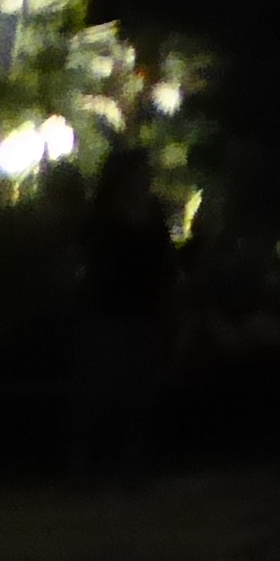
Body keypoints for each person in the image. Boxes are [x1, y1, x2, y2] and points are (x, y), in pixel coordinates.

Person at [67, 150, 182, 485]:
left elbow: (165, 259)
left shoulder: (151, 213)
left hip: (141, 312)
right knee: (98, 391)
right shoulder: (104, 215)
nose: (146, 179)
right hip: (107, 313)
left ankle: (128, 463)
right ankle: (84, 462)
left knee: (137, 392)